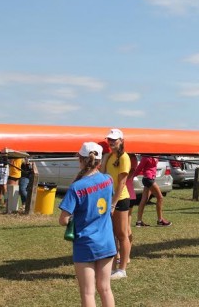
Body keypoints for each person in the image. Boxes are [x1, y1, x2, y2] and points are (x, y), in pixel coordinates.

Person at [58, 142, 116, 307]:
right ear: (99, 162)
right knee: (105, 289)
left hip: (86, 243)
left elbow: (63, 220)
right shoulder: (108, 180)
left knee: (88, 292)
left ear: (81, 160)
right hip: (107, 241)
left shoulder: (76, 187)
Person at [102, 128, 131, 279]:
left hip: (120, 199)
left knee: (121, 234)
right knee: (111, 235)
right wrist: (105, 158)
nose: (111, 142)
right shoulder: (110, 156)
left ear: (121, 141)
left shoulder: (124, 157)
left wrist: (113, 203)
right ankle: (112, 267)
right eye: (109, 140)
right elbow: (102, 175)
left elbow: (122, 183)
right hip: (109, 199)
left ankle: (122, 269)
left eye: (114, 140)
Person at [134, 155, 172, 227]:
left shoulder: (155, 155)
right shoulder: (146, 157)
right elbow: (139, 168)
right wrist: (131, 176)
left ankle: (139, 222)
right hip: (148, 179)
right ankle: (160, 220)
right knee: (160, 198)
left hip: (150, 179)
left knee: (144, 200)